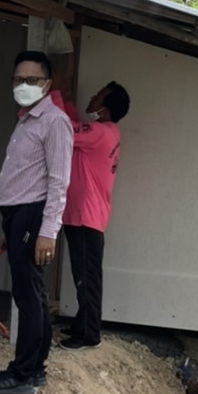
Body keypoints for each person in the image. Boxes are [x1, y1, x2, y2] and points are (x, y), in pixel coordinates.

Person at [0, 50, 73, 394]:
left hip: (34, 215)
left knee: (29, 296)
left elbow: (59, 181)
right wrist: (11, 228)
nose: (24, 85)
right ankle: (33, 369)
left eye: (32, 80)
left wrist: (48, 231)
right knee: (30, 292)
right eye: (19, 79)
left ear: (47, 84)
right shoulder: (27, 119)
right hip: (18, 216)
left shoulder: (54, 122)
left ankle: (21, 372)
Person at [60, 81, 130, 349]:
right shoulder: (106, 132)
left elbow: (66, 129)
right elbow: (76, 123)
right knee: (84, 274)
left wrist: (57, 96)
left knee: (87, 277)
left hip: (86, 216)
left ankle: (89, 334)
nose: (91, 98)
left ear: (105, 107)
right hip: (85, 215)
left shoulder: (100, 132)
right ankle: (83, 324)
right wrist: (64, 98)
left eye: (98, 96)